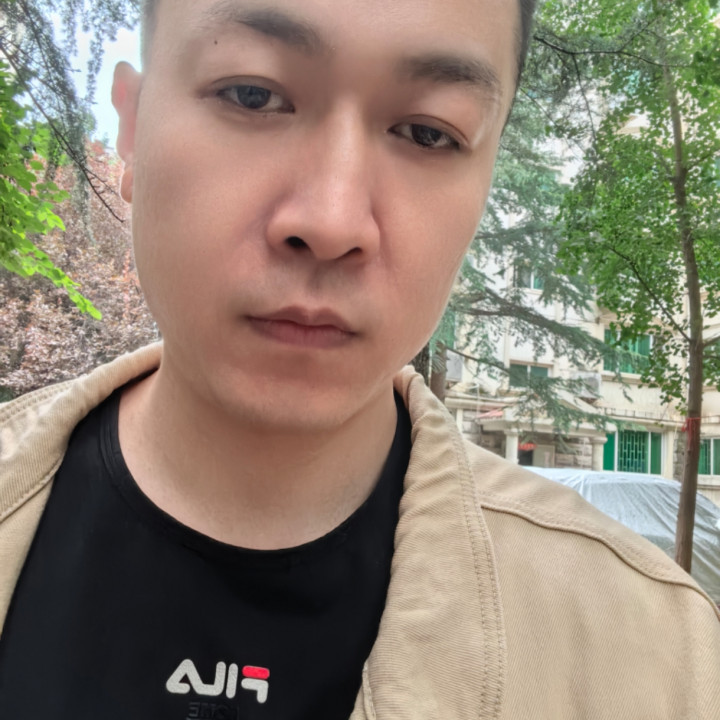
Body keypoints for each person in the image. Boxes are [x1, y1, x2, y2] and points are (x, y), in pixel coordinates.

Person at [0, 0, 718, 717]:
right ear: (130, 128)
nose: (331, 222)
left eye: (428, 133)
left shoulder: (658, 660)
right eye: (251, 94)